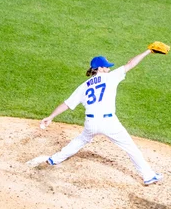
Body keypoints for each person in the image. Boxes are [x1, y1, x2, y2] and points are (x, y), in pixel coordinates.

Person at [40, 48, 163, 185]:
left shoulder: (84, 86)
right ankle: (148, 175)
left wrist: (50, 117)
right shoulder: (110, 77)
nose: (109, 68)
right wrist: (148, 51)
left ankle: (54, 159)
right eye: (107, 66)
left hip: (90, 122)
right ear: (100, 68)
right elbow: (131, 63)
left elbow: (67, 104)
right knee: (130, 147)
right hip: (109, 122)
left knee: (81, 139)